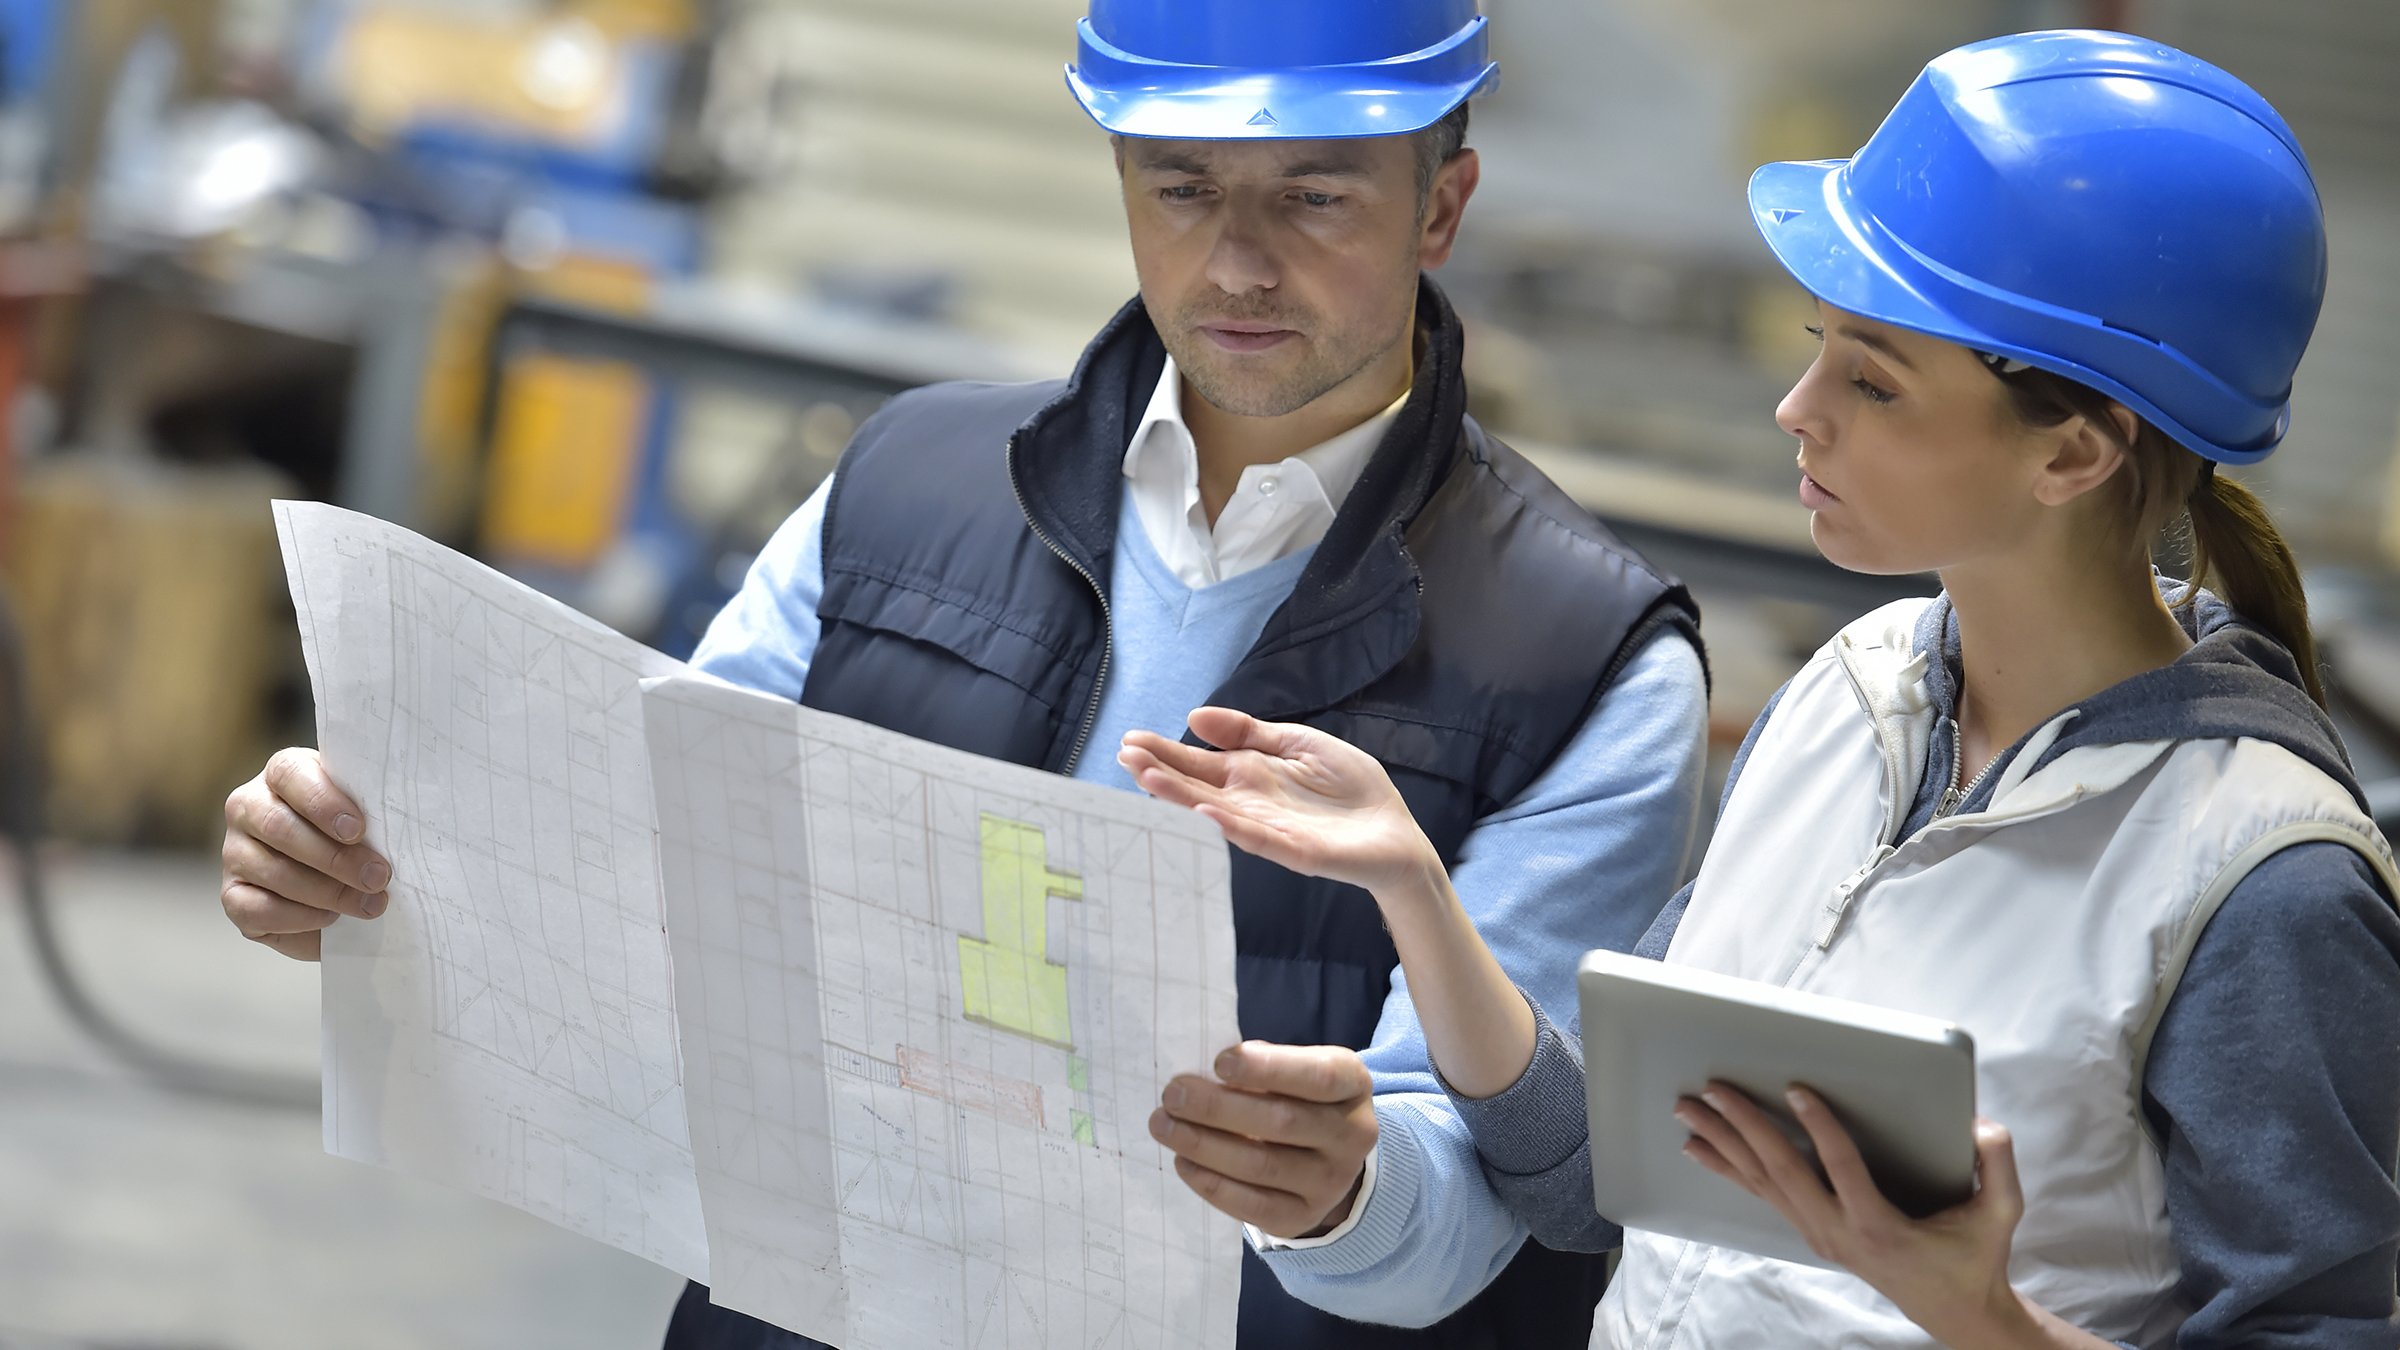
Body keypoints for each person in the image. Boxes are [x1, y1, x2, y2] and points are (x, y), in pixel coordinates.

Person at [217, 1, 1713, 1345]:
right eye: (1180, 187)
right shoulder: (904, 489)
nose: (1239, 260)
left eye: (1315, 195)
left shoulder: (1586, 660)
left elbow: (1485, 1214)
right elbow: (637, 873)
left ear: (1441, 202)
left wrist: (1332, 1198)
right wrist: (378, 879)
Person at [1121, 29, 2400, 1347]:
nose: (1798, 407)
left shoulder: (2265, 884)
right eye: (1818, 345)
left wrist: (1978, 1314)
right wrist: (1417, 889)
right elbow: (1591, 1180)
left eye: (1872, 377)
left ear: (2074, 452)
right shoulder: (1846, 700)